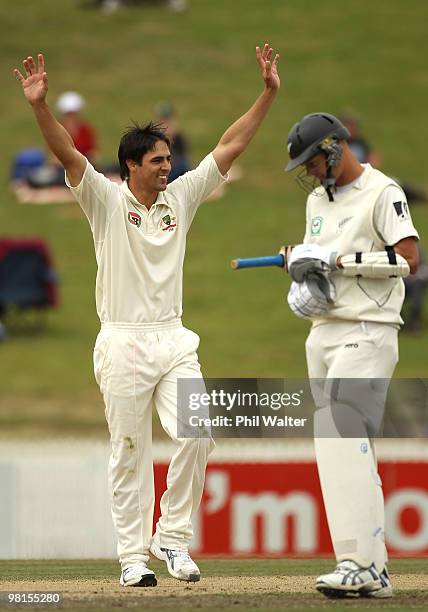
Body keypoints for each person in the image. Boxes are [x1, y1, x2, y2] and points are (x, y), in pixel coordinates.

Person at [14, 45, 280, 587]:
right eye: (157, 161)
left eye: (168, 159)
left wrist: (268, 94)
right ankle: (133, 557)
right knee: (130, 452)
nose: (168, 167)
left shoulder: (179, 199)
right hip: (122, 340)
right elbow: (67, 155)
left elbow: (229, 146)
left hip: (174, 337)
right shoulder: (106, 201)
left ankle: (172, 540)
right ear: (131, 165)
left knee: (199, 432)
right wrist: (41, 107)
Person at [284, 113, 419, 598]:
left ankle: (357, 562)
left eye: (314, 159)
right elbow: (320, 268)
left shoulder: (383, 192)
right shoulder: (317, 200)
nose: (311, 170)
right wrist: (304, 272)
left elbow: (408, 259)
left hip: (368, 329)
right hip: (324, 333)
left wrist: (341, 261)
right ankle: (373, 570)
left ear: (338, 145)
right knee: (343, 449)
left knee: (339, 434)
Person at [155, 102, 191, 182]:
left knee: (183, 167)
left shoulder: (178, 135)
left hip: (175, 167)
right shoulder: (154, 136)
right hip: (160, 168)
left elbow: (184, 156)